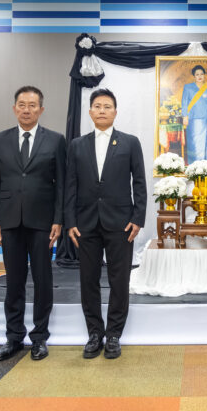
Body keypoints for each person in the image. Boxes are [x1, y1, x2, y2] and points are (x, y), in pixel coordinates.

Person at [65, 88, 147, 360]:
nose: (102, 110)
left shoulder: (130, 142)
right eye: (97, 106)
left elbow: (139, 183)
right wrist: (70, 221)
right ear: (90, 112)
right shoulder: (77, 145)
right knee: (88, 280)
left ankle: (113, 335)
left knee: (119, 280)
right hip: (86, 223)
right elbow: (70, 185)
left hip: (121, 223)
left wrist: (137, 219)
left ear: (115, 112)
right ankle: (94, 333)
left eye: (107, 106)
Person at [0, 86, 66, 362]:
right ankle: (13, 336)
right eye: (22, 105)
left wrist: (58, 219)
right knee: (14, 280)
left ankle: (40, 337)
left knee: (43, 280)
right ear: (14, 108)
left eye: (32, 105)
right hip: (9, 220)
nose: (26, 110)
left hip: (43, 222)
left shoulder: (56, 140)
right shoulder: (0, 139)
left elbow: (61, 184)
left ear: (41, 110)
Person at [181, 64, 207, 163]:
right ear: (194, 76)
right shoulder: (188, 87)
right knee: (194, 142)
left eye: (201, 74)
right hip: (192, 119)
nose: (199, 76)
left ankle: (206, 163)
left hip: (206, 119)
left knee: (206, 141)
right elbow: (184, 102)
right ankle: (193, 163)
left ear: (204, 75)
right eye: (197, 74)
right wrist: (184, 116)